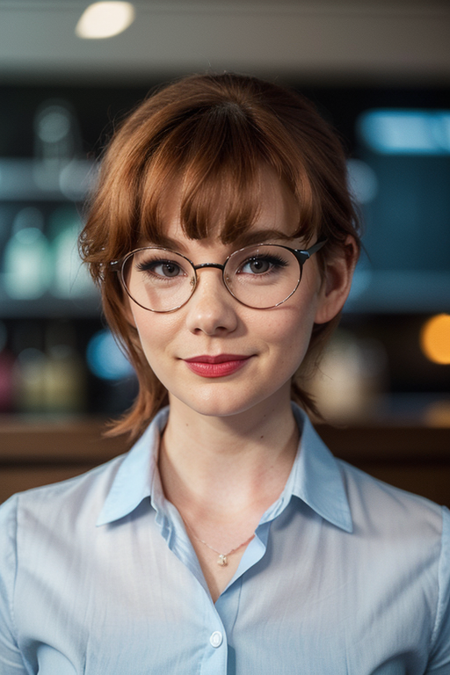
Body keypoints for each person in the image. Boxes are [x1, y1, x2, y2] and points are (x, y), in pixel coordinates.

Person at [0, 73, 449, 674]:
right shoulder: (19, 549)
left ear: (333, 280)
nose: (209, 315)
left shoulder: (433, 561)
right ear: (122, 291)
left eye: (259, 262)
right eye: (163, 265)